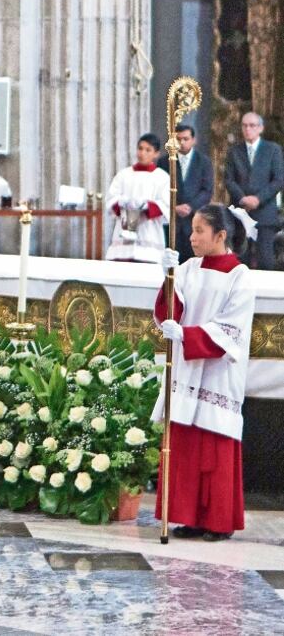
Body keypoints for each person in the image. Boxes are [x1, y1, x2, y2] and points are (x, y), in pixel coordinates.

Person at [153, 204, 256, 541]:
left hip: (215, 372)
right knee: (186, 446)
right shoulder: (188, 268)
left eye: (199, 231)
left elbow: (232, 329)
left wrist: (188, 335)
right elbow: (171, 309)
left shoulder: (240, 276)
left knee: (213, 444)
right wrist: (168, 278)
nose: (192, 237)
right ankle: (188, 516)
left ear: (221, 235)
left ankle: (218, 521)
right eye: (192, 229)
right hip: (187, 367)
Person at [224, 112, 284, 270]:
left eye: (252, 125)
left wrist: (258, 199)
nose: (248, 129)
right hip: (241, 212)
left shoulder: (273, 150)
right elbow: (229, 180)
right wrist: (243, 199)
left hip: (265, 212)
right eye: (244, 125)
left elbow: (278, 179)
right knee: (240, 259)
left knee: (266, 260)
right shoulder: (234, 151)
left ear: (260, 128)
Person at [104, 133, 170, 263]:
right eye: (140, 148)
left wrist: (145, 206)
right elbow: (111, 200)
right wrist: (123, 203)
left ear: (156, 154)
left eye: (148, 150)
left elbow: (165, 205)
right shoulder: (124, 175)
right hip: (124, 233)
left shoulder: (162, 177)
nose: (142, 153)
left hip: (149, 233)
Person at [157, 124, 214, 263]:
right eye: (178, 139)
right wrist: (174, 207)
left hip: (194, 219)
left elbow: (207, 190)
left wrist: (190, 206)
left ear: (193, 140)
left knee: (193, 260)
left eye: (186, 139)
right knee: (172, 260)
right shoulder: (164, 162)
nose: (182, 143)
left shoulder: (204, 162)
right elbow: (159, 189)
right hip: (172, 221)